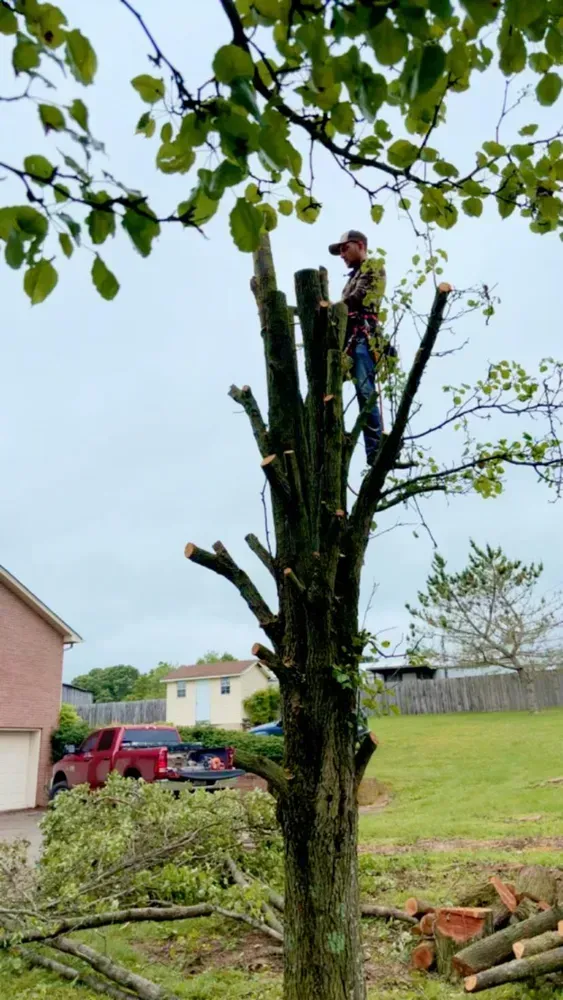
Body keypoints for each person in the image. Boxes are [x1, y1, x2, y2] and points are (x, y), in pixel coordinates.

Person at [328, 229, 394, 467]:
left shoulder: (372, 267)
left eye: (345, 248)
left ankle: (375, 450)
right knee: (329, 391)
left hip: (363, 339)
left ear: (360, 245)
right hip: (349, 343)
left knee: (365, 392)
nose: (342, 255)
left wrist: (329, 310)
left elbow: (358, 299)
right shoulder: (353, 277)